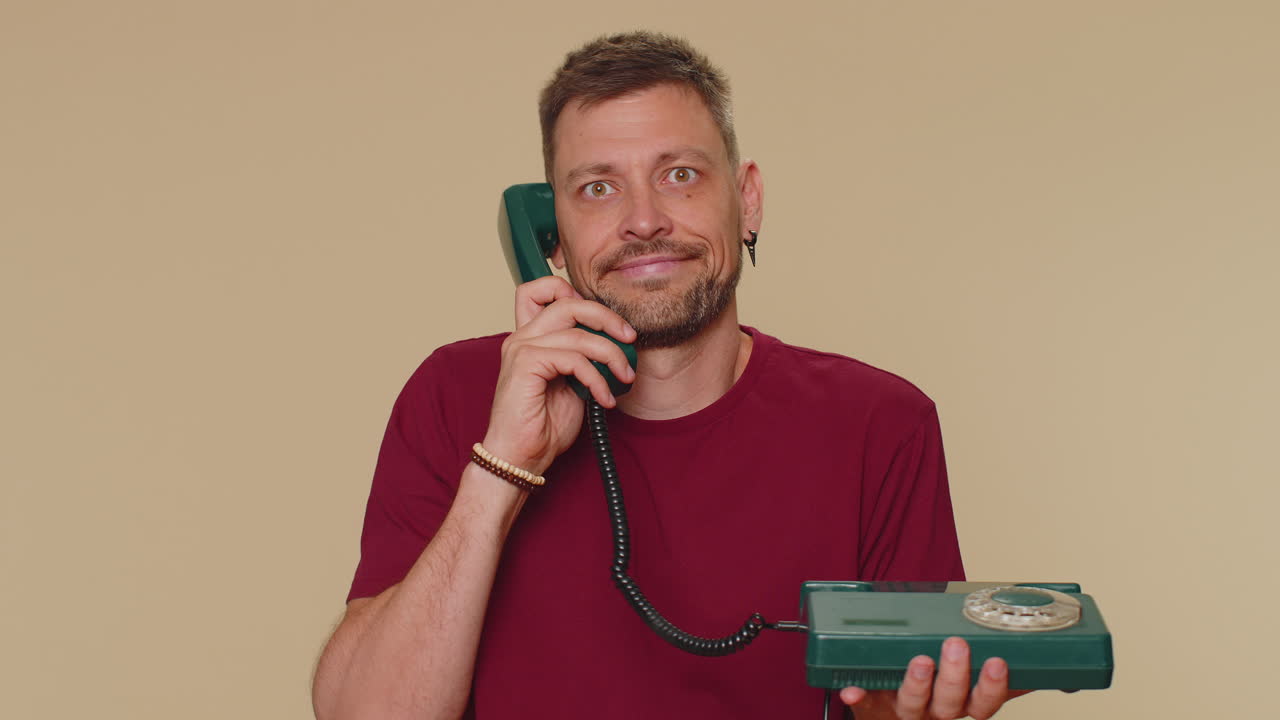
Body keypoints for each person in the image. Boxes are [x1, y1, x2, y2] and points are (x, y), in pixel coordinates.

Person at [312, 31, 1024, 720]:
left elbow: (890, 699)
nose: (643, 221)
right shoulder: (455, 394)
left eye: (679, 175)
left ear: (746, 198)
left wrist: (900, 713)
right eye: (597, 188)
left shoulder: (881, 422)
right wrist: (503, 468)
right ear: (548, 232)